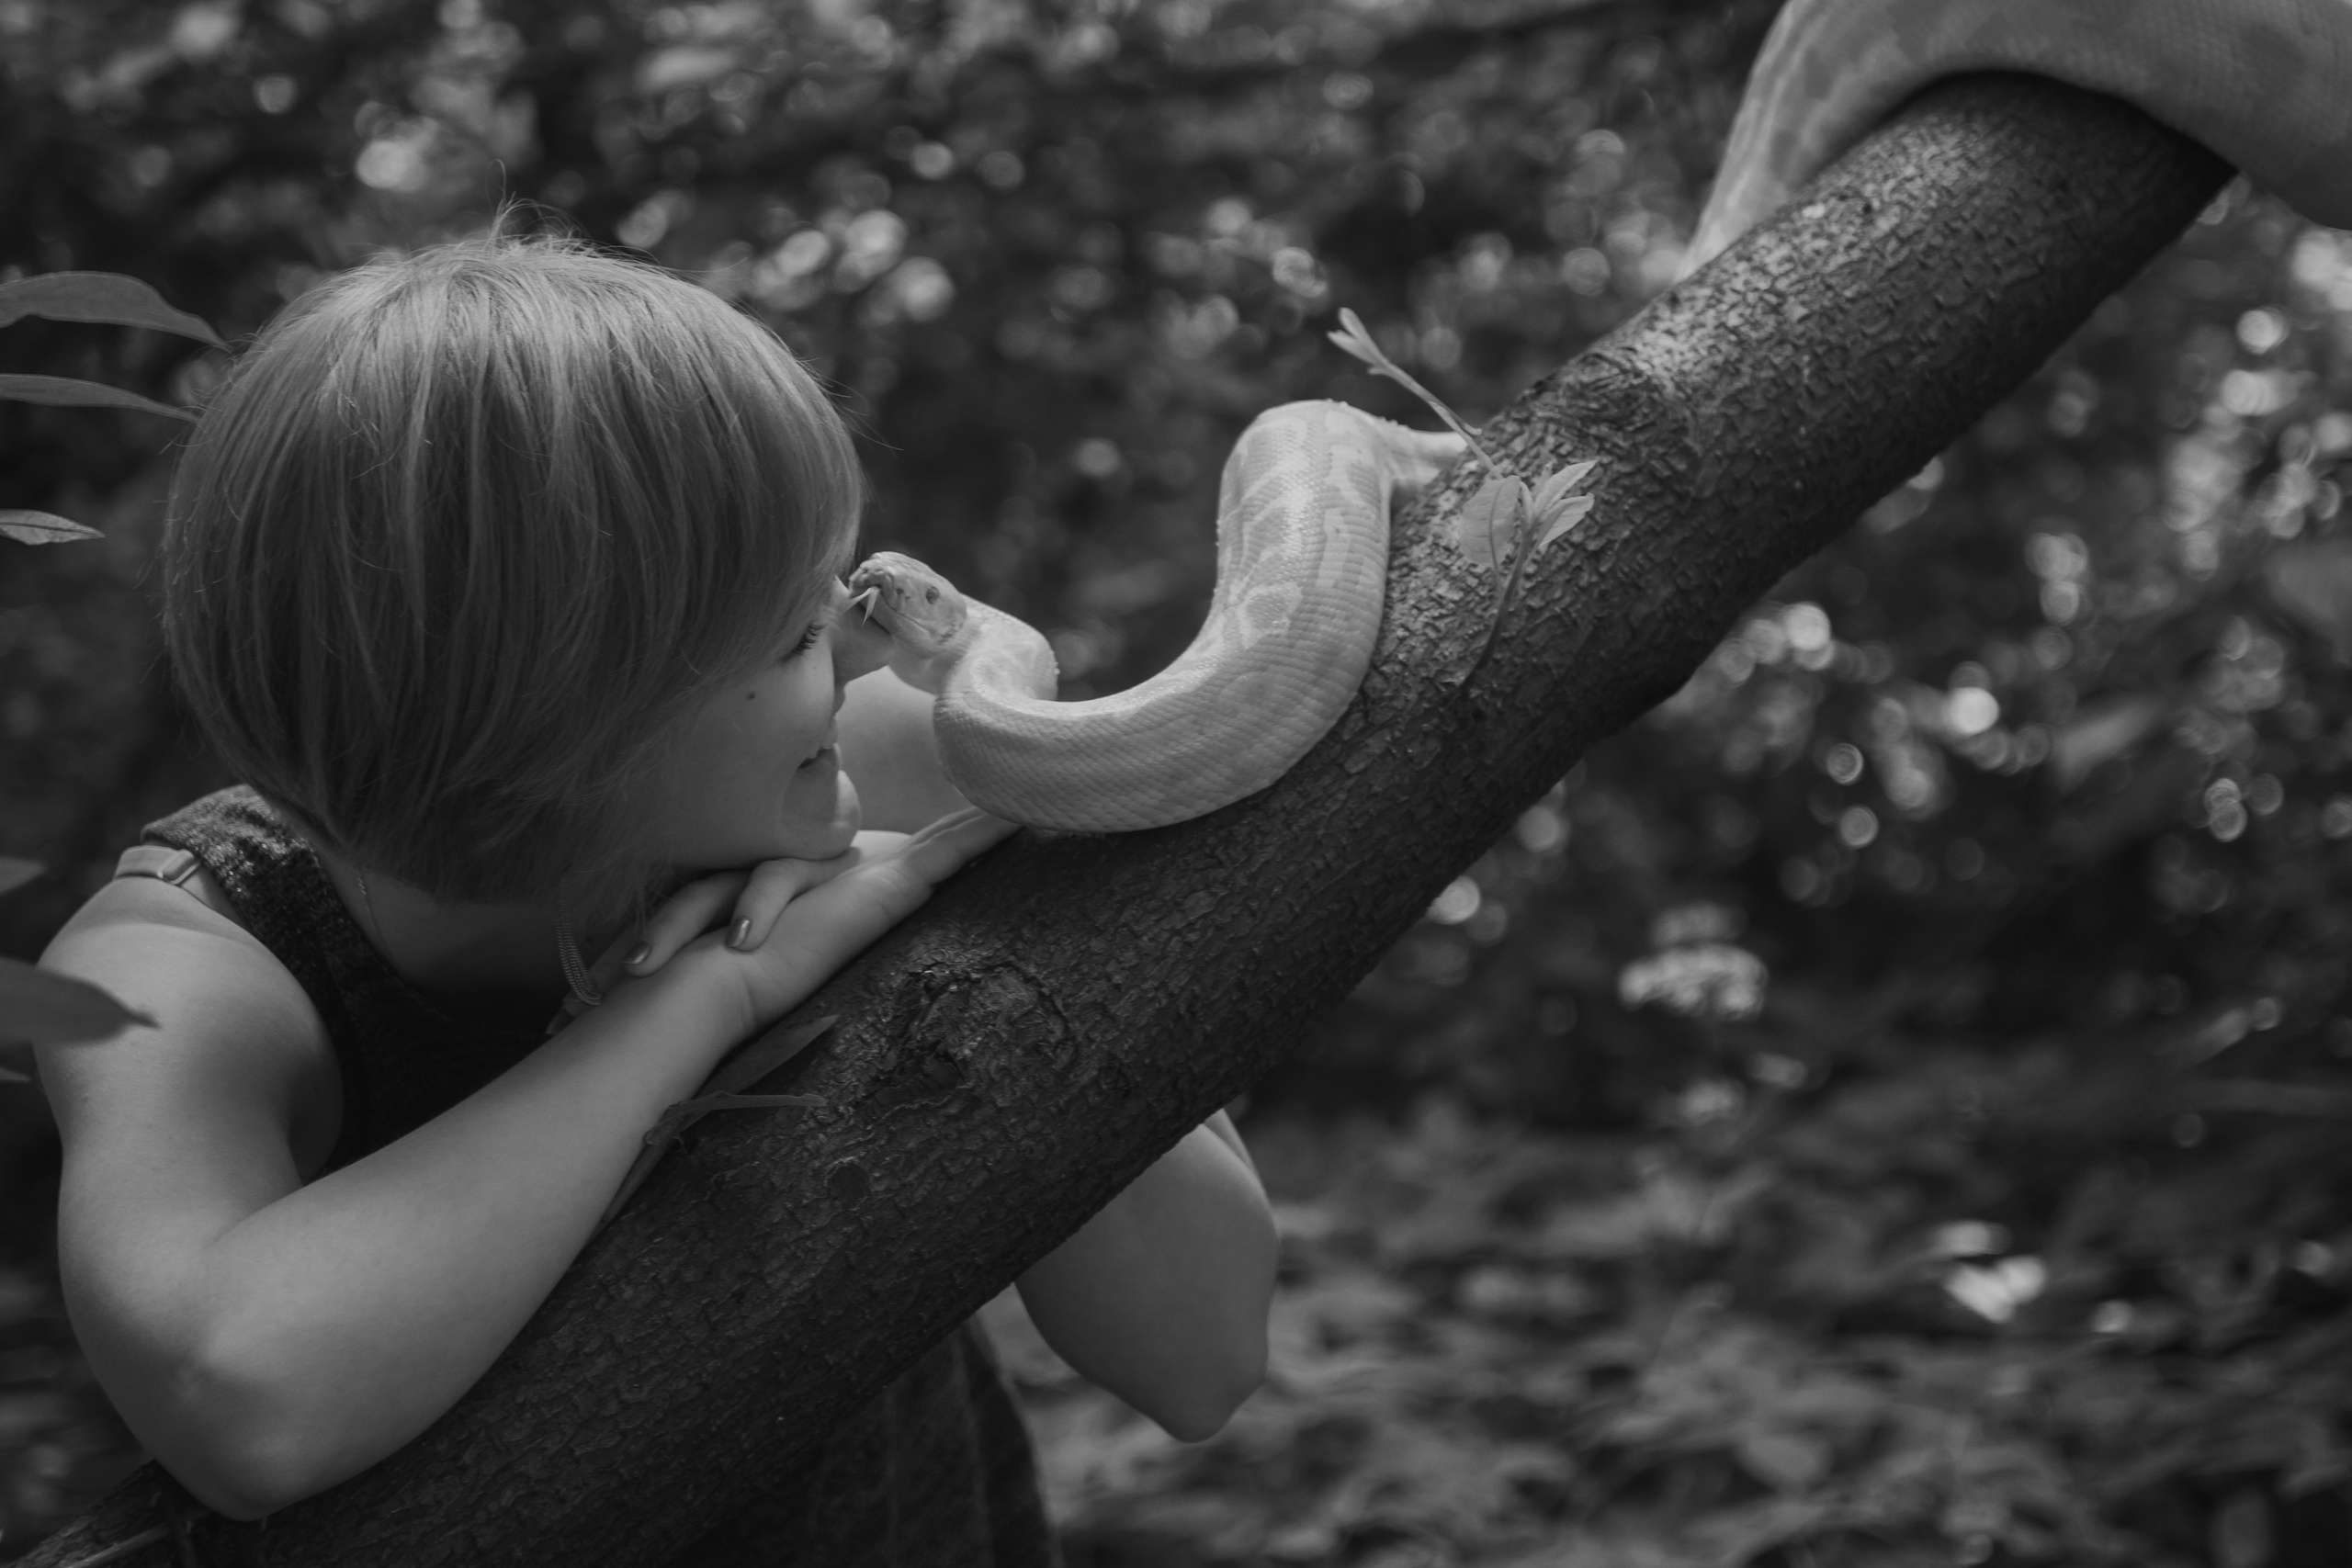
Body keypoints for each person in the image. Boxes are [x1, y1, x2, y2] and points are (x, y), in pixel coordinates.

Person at [34, 229, 1278, 1555]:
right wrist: (700, 1003)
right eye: (802, 629)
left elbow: (1199, 1354)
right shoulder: (188, 955)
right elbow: (239, 1401)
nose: (867, 640)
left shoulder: (898, 769)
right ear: (569, 730)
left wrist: (948, 955)